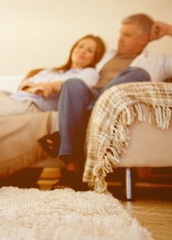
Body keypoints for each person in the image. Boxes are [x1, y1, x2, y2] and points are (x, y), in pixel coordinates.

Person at [39, 14, 172, 190]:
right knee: (72, 84)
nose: (120, 39)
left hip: (118, 103)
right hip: (92, 97)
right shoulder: (107, 55)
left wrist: (169, 30)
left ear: (144, 39)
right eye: (120, 33)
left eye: (127, 35)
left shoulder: (158, 61)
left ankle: (82, 124)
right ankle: (73, 170)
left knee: (139, 74)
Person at [0, 34, 106, 152]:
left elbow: (76, 87)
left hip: (30, 105)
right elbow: (23, 86)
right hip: (13, 98)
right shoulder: (51, 71)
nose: (82, 51)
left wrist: (47, 86)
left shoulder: (89, 73)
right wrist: (36, 87)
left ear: (95, 58)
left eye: (89, 50)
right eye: (80, 46)